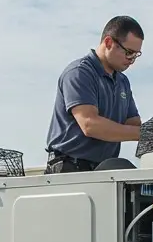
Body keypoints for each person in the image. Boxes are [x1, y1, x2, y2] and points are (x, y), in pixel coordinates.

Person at [44, 15, 145, 173]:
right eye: (129, 53)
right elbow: (90, 125)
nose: (131, 60)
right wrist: (143, 134)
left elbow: (132, 124)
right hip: (70, 169)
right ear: (108, 42)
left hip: (103, 170)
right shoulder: (79, 73)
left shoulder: (122, 82)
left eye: (136, 55)